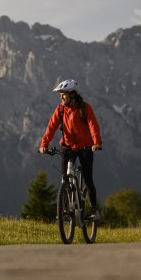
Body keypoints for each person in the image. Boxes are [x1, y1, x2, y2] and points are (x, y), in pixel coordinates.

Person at [39, 79, 103, 219]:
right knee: (65, 178)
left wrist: (96, 143)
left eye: (64, 95)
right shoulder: (60, 110)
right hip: (67, 146)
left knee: (88, 178)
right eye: (60, 95)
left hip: (85, 147)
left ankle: (94, 209)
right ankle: (66, 208)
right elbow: (51, 127)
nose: (61, 98)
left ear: (72, 95)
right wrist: (44, 144)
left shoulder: (85, 108)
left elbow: (93, 126)